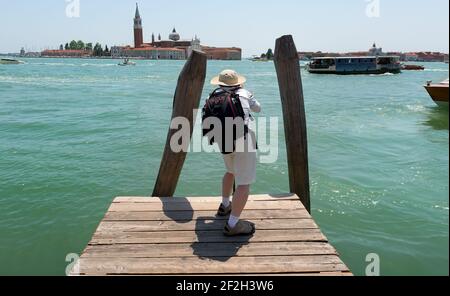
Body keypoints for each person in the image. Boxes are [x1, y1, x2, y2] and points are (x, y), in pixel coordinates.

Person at [209, 70, 262, 236]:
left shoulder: (214, 95)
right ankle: (233, 224)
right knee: (244, 183)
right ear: (237, 82)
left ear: (220, 83)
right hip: (243, 139)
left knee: (230, 171)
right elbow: (258, 109)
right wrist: (248, 95)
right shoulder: (245, 93)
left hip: (222, 139)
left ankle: (225, 205)